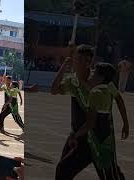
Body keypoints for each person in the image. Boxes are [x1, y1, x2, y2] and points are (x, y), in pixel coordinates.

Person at [51, 44, 128, 180]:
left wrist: (125, 123)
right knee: (63, 170)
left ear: (89, 63)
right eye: (78, 59)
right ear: (74, 59)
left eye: (85, 60)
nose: (81, 63)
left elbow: (119, 99)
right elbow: (54, 90)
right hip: (78, 133)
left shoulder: (100, 81)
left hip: (97, 136)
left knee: (110, 172)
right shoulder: (72, 80)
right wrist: (64, 66)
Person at [69, 63, 126, 180]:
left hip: (98, 138)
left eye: (95, 72)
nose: (92, 73)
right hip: (107, 134)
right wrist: (126, 123)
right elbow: (119, 99)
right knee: (111, 169)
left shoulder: (95, 93)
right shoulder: (108, 86)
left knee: (106, 171)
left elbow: (90, 123)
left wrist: (76, 135)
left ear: (101, 77)